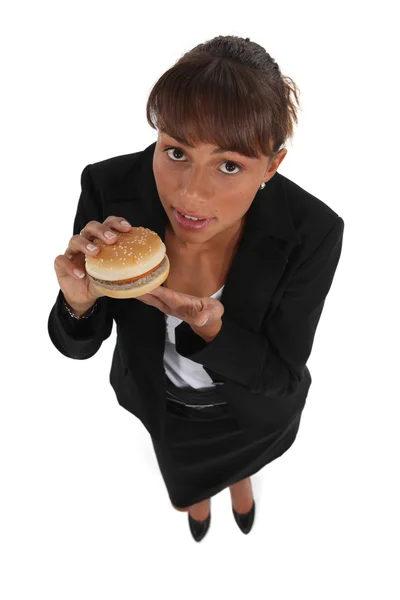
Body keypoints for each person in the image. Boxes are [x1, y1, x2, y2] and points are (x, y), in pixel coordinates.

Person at [48, 35, 345, 542]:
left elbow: (278, 374)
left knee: (244, 457)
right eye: (176, 151)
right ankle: (197, 500)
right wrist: (78, 303)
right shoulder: (108, 186)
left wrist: (213, 332)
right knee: (185, 481)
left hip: (250, 412)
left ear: (271, 166)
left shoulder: (314, 230)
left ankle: (242, 480)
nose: (190, 192)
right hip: (164, 406)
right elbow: (79, 343)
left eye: (229, 165)